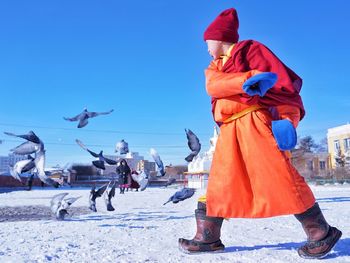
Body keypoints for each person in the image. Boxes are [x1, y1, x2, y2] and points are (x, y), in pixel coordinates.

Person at [178, 8, 342, 259]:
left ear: (220, 39)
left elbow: (281, 88)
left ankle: (320, 232)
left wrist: (287, 119)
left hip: (255, 124)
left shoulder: (251, 51)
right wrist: (249, 79)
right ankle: (207, 237)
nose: (206, 47)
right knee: (220, 182)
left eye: (207, 42)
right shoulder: (214, 67)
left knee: (280, 177)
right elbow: (212, 86)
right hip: (230, 129)